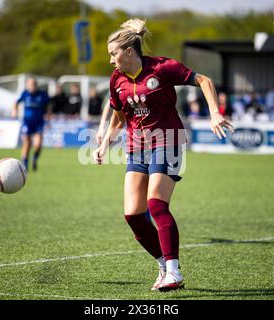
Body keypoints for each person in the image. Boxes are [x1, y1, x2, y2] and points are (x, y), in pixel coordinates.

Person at [93, 18, 234, 292]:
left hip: (168, 141)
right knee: (133, 215)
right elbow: (119, 119)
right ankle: (162, 263)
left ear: (130, 51)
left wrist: (215, 112)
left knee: (156, 204)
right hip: (136, 147)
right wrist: (105, 144)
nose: (111, 60)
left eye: (113, 54)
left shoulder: (162, 67)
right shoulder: (117, 80)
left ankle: (174, 271)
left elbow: (203, 80)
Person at [12, 77, 50, 172]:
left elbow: (49, 106)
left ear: (36, 85)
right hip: (27, 122)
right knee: (27, 143)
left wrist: (48, 116)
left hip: (39, 123)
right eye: (30, 84)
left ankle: (35, 158)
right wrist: (14, 111)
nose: (32, 86)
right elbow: (16, 103)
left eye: (33, 84)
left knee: (38, 144)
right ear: (27, 85)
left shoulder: (42, 95)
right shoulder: (25, 94)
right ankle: (24, 165)